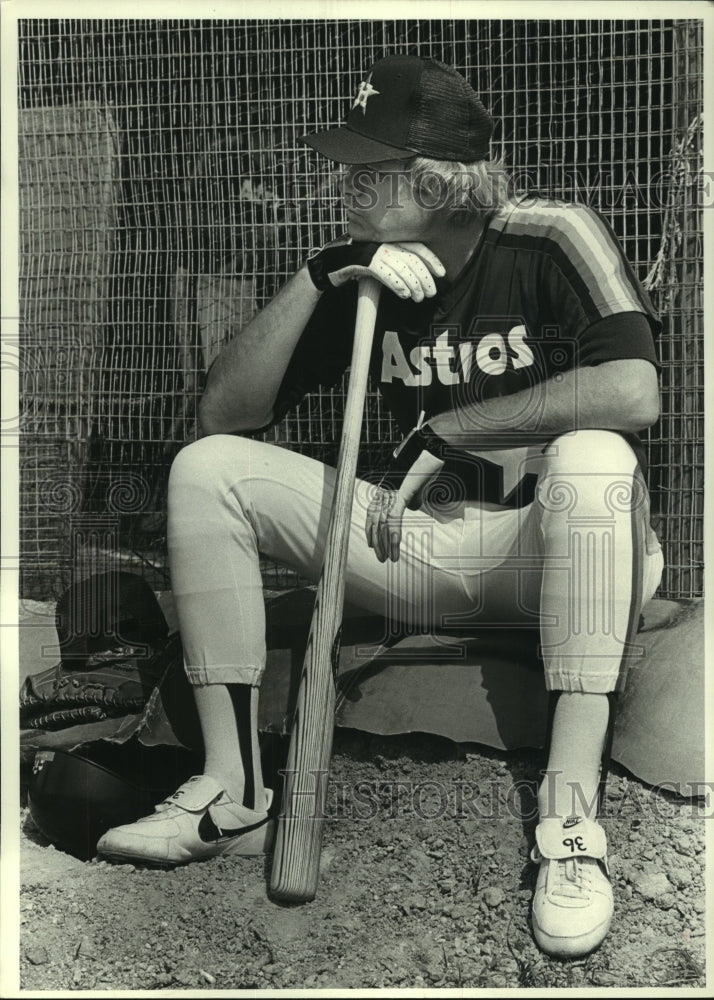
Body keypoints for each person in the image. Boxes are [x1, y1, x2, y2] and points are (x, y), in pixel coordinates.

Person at [98, 55, 664, 959]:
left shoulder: (551, 235)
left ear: (435, 181)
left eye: (367, 171)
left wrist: (460, 426)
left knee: (595, 456)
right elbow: (224, 413)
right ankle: (233, 792)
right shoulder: (366, 269)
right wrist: (327, 272)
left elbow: (636, 391)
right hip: (410, 544)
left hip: (547, 549)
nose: (340, 185)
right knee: (208, 467)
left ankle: (569, 823)